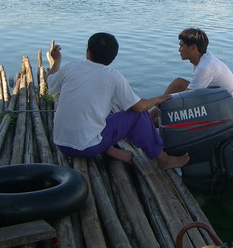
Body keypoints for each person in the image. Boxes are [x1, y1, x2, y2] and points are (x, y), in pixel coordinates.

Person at [47, 32, 189, 169]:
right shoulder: (113, 76)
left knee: (102, 115)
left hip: (62, 144)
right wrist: (156, 99)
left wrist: (57, 60)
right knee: (138, 114)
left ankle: (110, 150)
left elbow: (50, 82)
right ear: (113, 57)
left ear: (88, 52)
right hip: (87, 147)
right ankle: (164, 160)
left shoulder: (71, 66)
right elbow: (139, 107)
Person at [164, 28, 233, 110]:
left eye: (182, 46)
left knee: (165, 117)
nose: (179, 50)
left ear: (193, 48)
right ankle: (152, 115)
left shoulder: (205, 67)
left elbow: (187, 99)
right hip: (219, 100)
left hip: (229, 109)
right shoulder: (202, 58)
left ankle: (152, 117)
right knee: (178, 84)